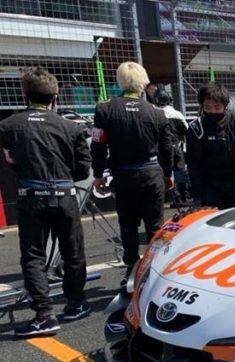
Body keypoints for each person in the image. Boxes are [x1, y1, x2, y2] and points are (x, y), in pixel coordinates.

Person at [0, 68, 91, 337]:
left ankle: (43, 315)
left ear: (25, 94)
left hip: (31, 197)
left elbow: (11, 161)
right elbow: (83, 171)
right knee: (73, 252)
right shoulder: (71, 127)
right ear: (55, 95)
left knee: (33, 256)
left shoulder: (8, 126)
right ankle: (76, 304)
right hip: (65, 196)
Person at [91, 61, 173, 276]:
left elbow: (98, 145)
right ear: (143, 81)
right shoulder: (157, 112)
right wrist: (168, 174)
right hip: (151, 173)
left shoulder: (104, 108)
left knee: (127, 223)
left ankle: (131, 266)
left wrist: (98, 174)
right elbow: (167, 148)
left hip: (123, 175)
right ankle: (155, 267)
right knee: (155, 224)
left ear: (120, 81)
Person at [186, 83, 235, 208]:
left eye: (217, 107)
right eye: (207, 107)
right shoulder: (195, 129)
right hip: (209, 187)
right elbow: (193, 165)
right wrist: (197, 195)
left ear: (226, 106)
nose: (212, 111)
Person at [153, 88, 190, 207]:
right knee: (180, 171)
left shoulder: (154, 113)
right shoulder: (177, 113)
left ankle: (174, 199)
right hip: (176, 147)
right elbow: (186, 130)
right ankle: (183, 198)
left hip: (161, 149)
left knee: (166, 173)